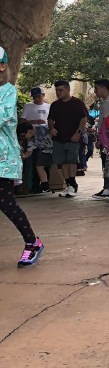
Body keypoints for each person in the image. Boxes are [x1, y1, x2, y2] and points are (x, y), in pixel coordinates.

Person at [0, 46, 44, 265]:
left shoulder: (8, 92)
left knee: (6, 203)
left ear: (2, 66)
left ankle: (32, 242)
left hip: (3, 159)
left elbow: (4, 117)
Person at [48, 80, 88, 198]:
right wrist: (51, 128)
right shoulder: (55, 105)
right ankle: (69, 184)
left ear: (68, 90)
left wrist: (78, 132)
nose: (58, 92)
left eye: (60, 90)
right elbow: (50, 119)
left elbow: (83, 118)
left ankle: (72, 183)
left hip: (73, 137)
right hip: (59, 137)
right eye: (56, 90)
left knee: (72, 160)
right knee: (62, 161)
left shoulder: (77, 102)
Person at [21, 86, 52, 193]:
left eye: (39, 96)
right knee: (36, 162)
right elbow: (23, 120)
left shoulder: (48, 106)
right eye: (34, 97)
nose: (37, 99)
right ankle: (36, 184)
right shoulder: (28, 106)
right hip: (33, 135)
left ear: (43, 95)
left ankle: (45, 183)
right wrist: (35, 122)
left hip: (46, 137)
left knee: (43, 162)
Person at [92, 79, 109, 199]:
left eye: (96, 88)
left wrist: (100, 138)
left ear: (103, 88)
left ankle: (108, 188)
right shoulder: (107, 101)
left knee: (107, 163)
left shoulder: (107, 103)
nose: (95, 91)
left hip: (106, 138)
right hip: (107, 137)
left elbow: (105, 122)